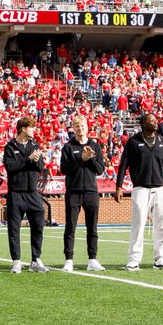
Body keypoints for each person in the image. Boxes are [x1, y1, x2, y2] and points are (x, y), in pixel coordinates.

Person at [114, 112, 163, 271]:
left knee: (162, 225)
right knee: (138, 225)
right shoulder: (133, 142)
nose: (156, 123)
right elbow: (123, 165)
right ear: (143, 123)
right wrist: (119, 187)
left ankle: (160, 258)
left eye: (156, 120)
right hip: (140, 189)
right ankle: (134, 259)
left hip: (159, 188)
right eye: (152, 120)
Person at [59, 115, 106, 272]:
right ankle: (69, 259)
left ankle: (92, 259)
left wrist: (89, 159)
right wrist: (81, 158)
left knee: (92, 227)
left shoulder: (95, 145)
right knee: (70, 226)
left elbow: (100, 169)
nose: (80, 129)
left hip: (91, 191)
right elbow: (64, 169)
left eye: (83, 126)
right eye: (77, 126)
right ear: (73, 128)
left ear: (87, 127)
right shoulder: (68, 146)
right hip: (73, 190)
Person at [3, 116, 48, 273]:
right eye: (32, 127)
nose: (34, 130)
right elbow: (10, 167)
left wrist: (37, 160)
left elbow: (40, 167)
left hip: (33, 193)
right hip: (16, 193)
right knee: (14, 229)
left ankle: (36, 259)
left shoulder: (35, 145)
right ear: (23, 129)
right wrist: (27, 159)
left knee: (38, 226)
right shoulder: (10, 146)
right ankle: (16, 260)